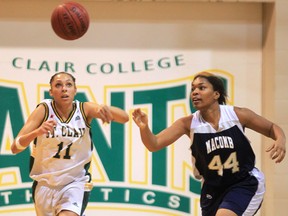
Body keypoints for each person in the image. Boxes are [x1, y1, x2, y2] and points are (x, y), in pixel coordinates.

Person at [132, 71, 286, 216]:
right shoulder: (188, 123)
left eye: (201, 87)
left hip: (244, 182)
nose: (195, 92)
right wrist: (144, 128)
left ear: (216, 94)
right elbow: (154, 144)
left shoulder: (237, 115)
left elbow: (272, 128)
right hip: (212, 189)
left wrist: (280, 139)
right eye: (193, 89)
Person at [11, 72, 129, 216]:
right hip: (45, 183)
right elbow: (15, 147)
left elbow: (124, 118)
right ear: (51, 92)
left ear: (75, 90)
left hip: (75, 182)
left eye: (68, 85)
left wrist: (107, 109)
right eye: (58, 85)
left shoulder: (85, 109)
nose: (64, 89)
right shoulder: (44, 110)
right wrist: (37, 132)